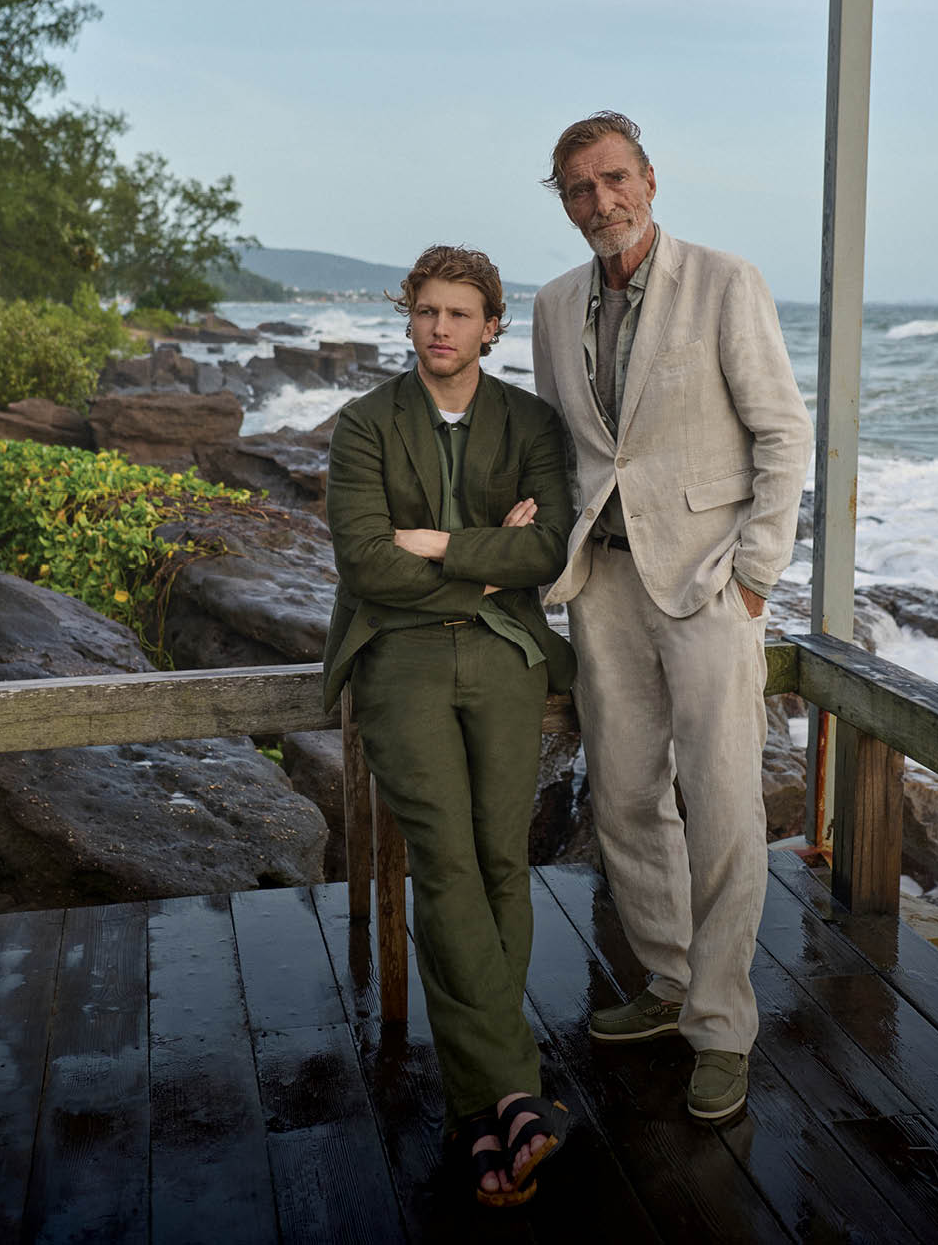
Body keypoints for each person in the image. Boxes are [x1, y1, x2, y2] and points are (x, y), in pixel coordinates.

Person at [531, 112, 812, 1122]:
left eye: (613, 179)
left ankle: (723, 1026)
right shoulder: (554, 304)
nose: (599, 201)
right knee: (625, 799)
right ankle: (666, 981)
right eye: (577, 189)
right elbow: (565, 449)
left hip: (705, 587)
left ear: (650, 179)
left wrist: (754, 577)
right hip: (602, 588)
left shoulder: (726, 282)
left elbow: (783, 431)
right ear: (563, 203)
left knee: (726, 804)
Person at [323, 245, 575, 1205]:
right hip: (401, 657)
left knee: (503, 858)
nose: (440, 328)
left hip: (508, 654)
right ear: (410, 317)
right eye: (426, 311)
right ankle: (512, 1092)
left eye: (460, 314)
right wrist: (487, 555)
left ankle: (481, 1114)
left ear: (492, 325)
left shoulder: (530, 422)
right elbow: (362, 564)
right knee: (449, 859)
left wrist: (435, 542)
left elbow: (549, 547)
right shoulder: (364, 424)